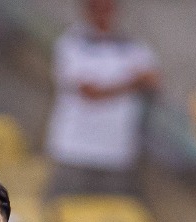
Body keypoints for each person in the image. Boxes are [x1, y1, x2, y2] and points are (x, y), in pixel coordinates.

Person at [43, 0, 159, 199]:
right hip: (74, 151)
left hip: (118, 154)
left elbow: (153, 82)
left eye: (107, 7)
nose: (102, 13)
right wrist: (133, 83)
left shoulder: (135, 47)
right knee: (62, 210)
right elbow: (90, 93)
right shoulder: (71, 44)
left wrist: (116, 87)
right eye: (96, 7)